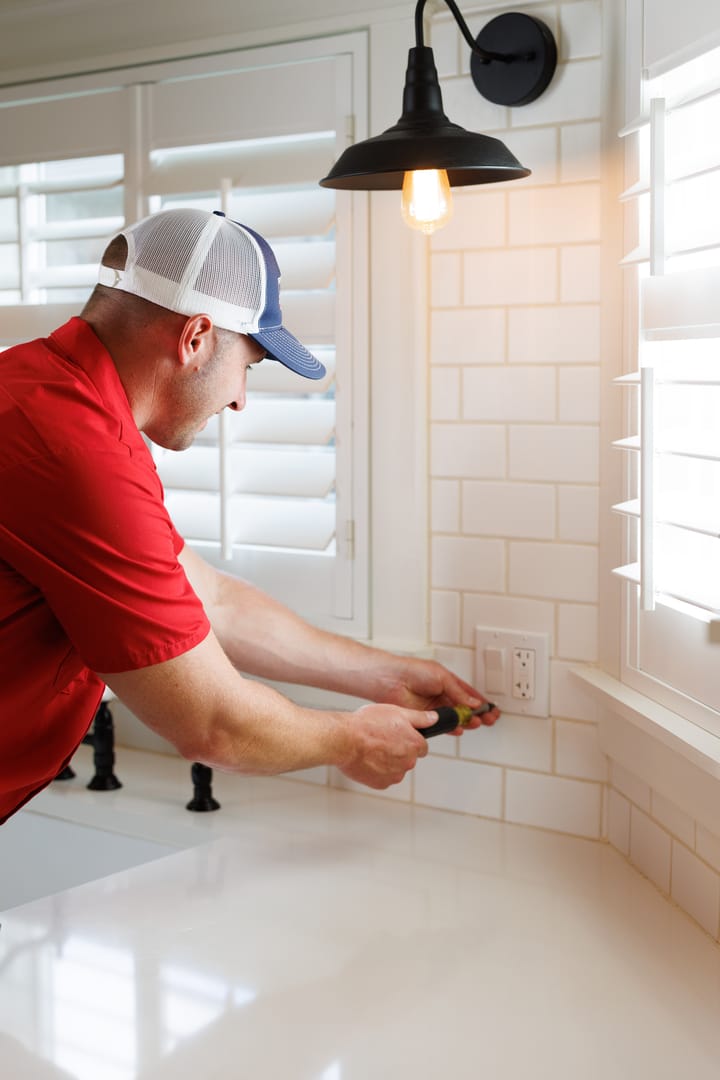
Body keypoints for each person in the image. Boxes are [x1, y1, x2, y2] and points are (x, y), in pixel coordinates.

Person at [0, 207, 498, 825]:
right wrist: (355, 741)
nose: (239, 399)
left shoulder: (42, 391)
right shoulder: (74, 453)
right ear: (195, 338)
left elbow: (211, 599)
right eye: (249, 367)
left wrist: (385, 676)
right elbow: (213, 724)